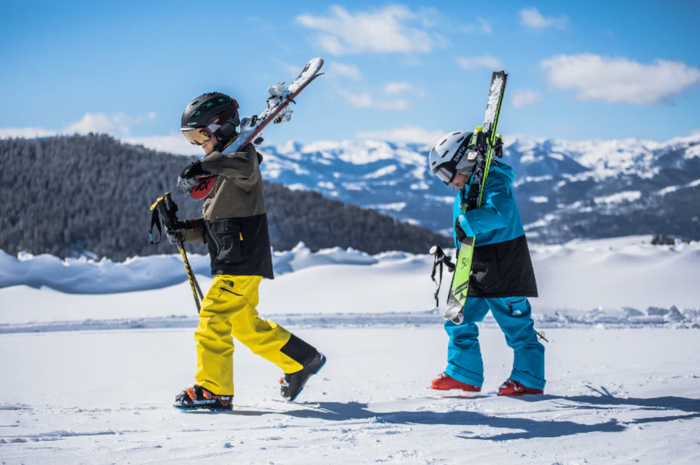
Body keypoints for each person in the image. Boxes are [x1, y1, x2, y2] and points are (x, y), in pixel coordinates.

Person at [168, 92, 326, 410]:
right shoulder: (221, 176)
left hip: (240, 261)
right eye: (191, 138)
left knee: (213, 318)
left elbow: (242, 166)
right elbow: (220, 226)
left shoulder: (243, 161)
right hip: (238, 257)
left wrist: (201, 167)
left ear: (223, 128)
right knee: (243, 324)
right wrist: (183, 230)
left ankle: (213, 389)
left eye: (201, 135)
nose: (198, 144)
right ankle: (301, 360)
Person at [427, 129, 545, 396]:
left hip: (504, 264)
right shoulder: (468, 186)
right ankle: (463, 373)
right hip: (474, 265)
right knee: (457, 316)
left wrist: (467, 223)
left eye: (446, 174)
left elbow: (500, 213)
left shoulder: (494, 180)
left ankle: (529, 379)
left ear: (463, 160)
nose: (447, 183)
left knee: (516, 326)